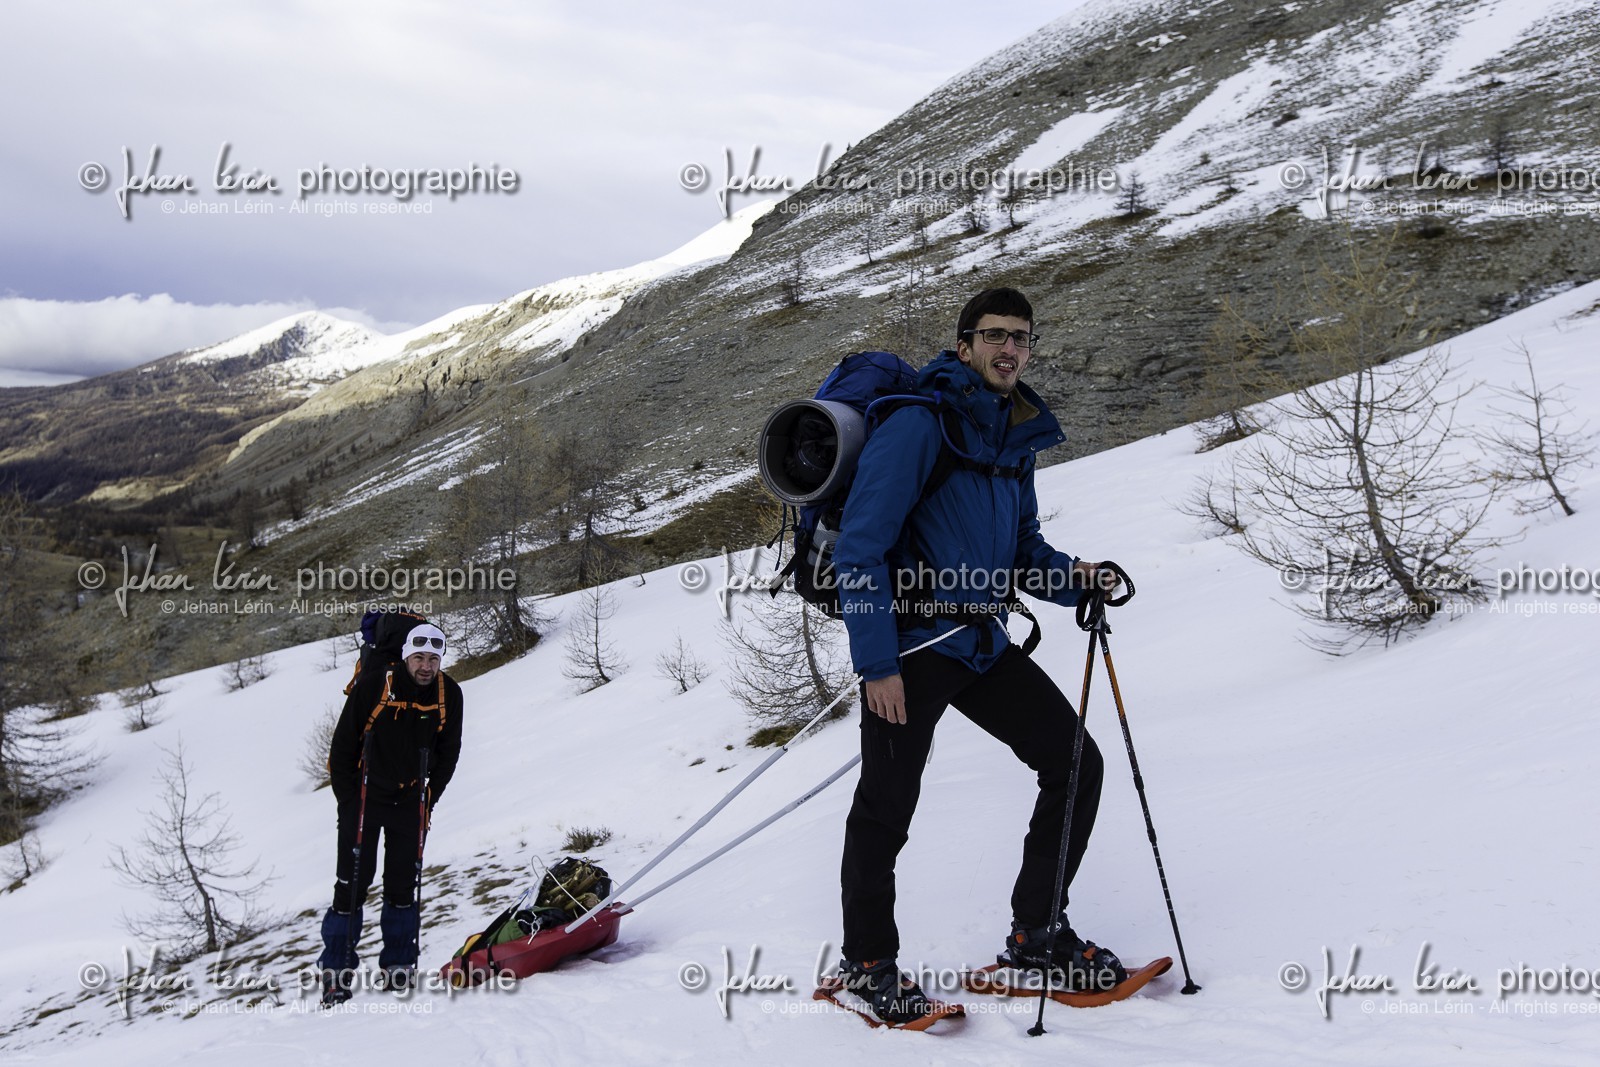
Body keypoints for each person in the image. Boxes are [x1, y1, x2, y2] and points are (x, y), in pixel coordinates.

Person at [830, 287, 1126, 1024]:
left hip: (983, 640)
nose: (1009, 349)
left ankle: (1037, 933)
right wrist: (877, 665)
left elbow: (1023, 550)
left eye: (1020, 338)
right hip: (915, 645)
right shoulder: (918, 424)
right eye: (994, 335)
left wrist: (1076, 579)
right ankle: (866, 964)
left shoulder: (1011, 434)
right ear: (963, 345)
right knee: (886, 807)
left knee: (1076, 762)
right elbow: (861, 550)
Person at [318, 621, 463, 1003]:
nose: (426, 666)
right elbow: (342, 747)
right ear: (405, 656)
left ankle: (399, 967)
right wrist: (348, 801)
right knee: (351, 885)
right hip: (365, 796)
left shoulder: (450, 693)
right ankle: (336, 975)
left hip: (411, 798)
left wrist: (429, 798)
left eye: (433, 658)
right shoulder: (375, 685)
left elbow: (449, 752)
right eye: (419, 657)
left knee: (402, 886)